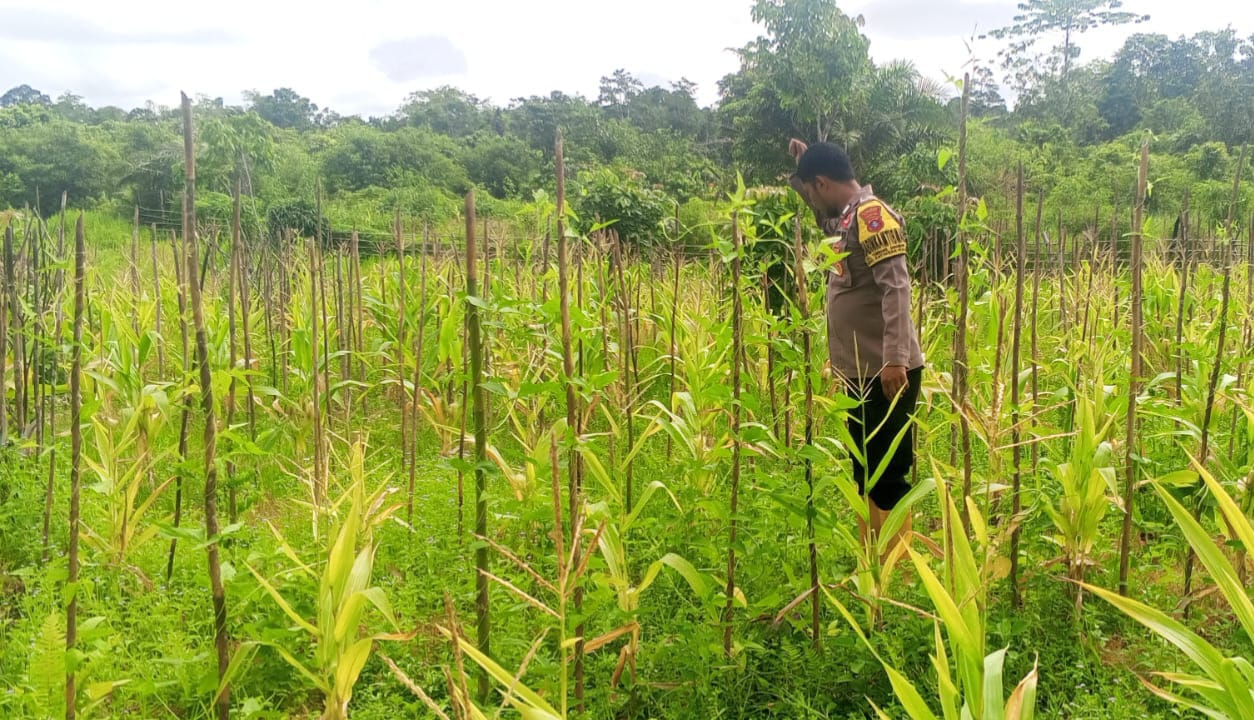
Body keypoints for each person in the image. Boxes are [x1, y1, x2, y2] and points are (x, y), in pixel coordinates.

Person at [787, 139, 924, 558]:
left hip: (887, 373)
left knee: (890, 474)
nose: (811, 200)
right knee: (865, 470)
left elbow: (896, 289)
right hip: (861, 374)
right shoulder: (848, 218)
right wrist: (802, 170)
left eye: (810, 190)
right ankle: (872, 560)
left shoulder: (873, 216)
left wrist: (895, 359)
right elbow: (826, 222)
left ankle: (897, 572)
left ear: (824, 182)